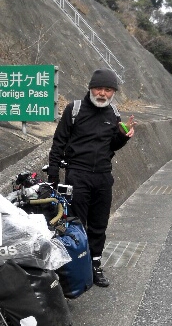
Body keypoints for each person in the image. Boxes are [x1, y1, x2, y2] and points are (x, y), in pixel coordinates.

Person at [47, 68, 135, 287]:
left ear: (113, 92)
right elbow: (58, 143)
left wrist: (123, 137)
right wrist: (53, 175)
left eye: (108, 90)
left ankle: (95, 265)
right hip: (78, 175)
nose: (102, 94)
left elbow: (111, 146)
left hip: (103, 177)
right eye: (98, 88)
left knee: (99, 225)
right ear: (90, 88)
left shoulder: (113, 113)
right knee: (76, 224)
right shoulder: (74, 109)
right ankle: (76, 267)